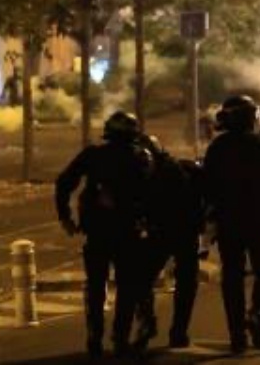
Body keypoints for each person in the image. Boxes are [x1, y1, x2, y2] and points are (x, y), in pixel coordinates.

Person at [55, 112, 156, 358]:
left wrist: (65, 216)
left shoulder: (93, 155)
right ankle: (119, 338)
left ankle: (94, 337)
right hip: (128, 233)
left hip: (97, 233)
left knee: (96, 287)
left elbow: (63, 182)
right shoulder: (142, 158)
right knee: (127, 289)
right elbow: (153, 195)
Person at [202, 95, 260, 353]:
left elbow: (208, 186)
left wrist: (211, 217)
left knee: (233, 277)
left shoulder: (218, 147)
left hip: (229, 221)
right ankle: (258, 313)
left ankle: (236, 333)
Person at [138, 135, 205, 349]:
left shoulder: (169, 174)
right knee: (185, 282)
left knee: (145, 279)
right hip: (182, 231)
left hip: (171, 231)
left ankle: (155, 323)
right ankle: (177, 331)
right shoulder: (178, 169)